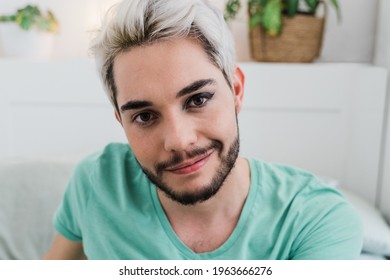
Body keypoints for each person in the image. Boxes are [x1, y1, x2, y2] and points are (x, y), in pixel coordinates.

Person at [44, 0, 363, 260]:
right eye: (144, 117)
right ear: (121, 122)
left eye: (198, 99)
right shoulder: (96, 183)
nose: (179, 141)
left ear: (236, 89)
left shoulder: (316, 221)